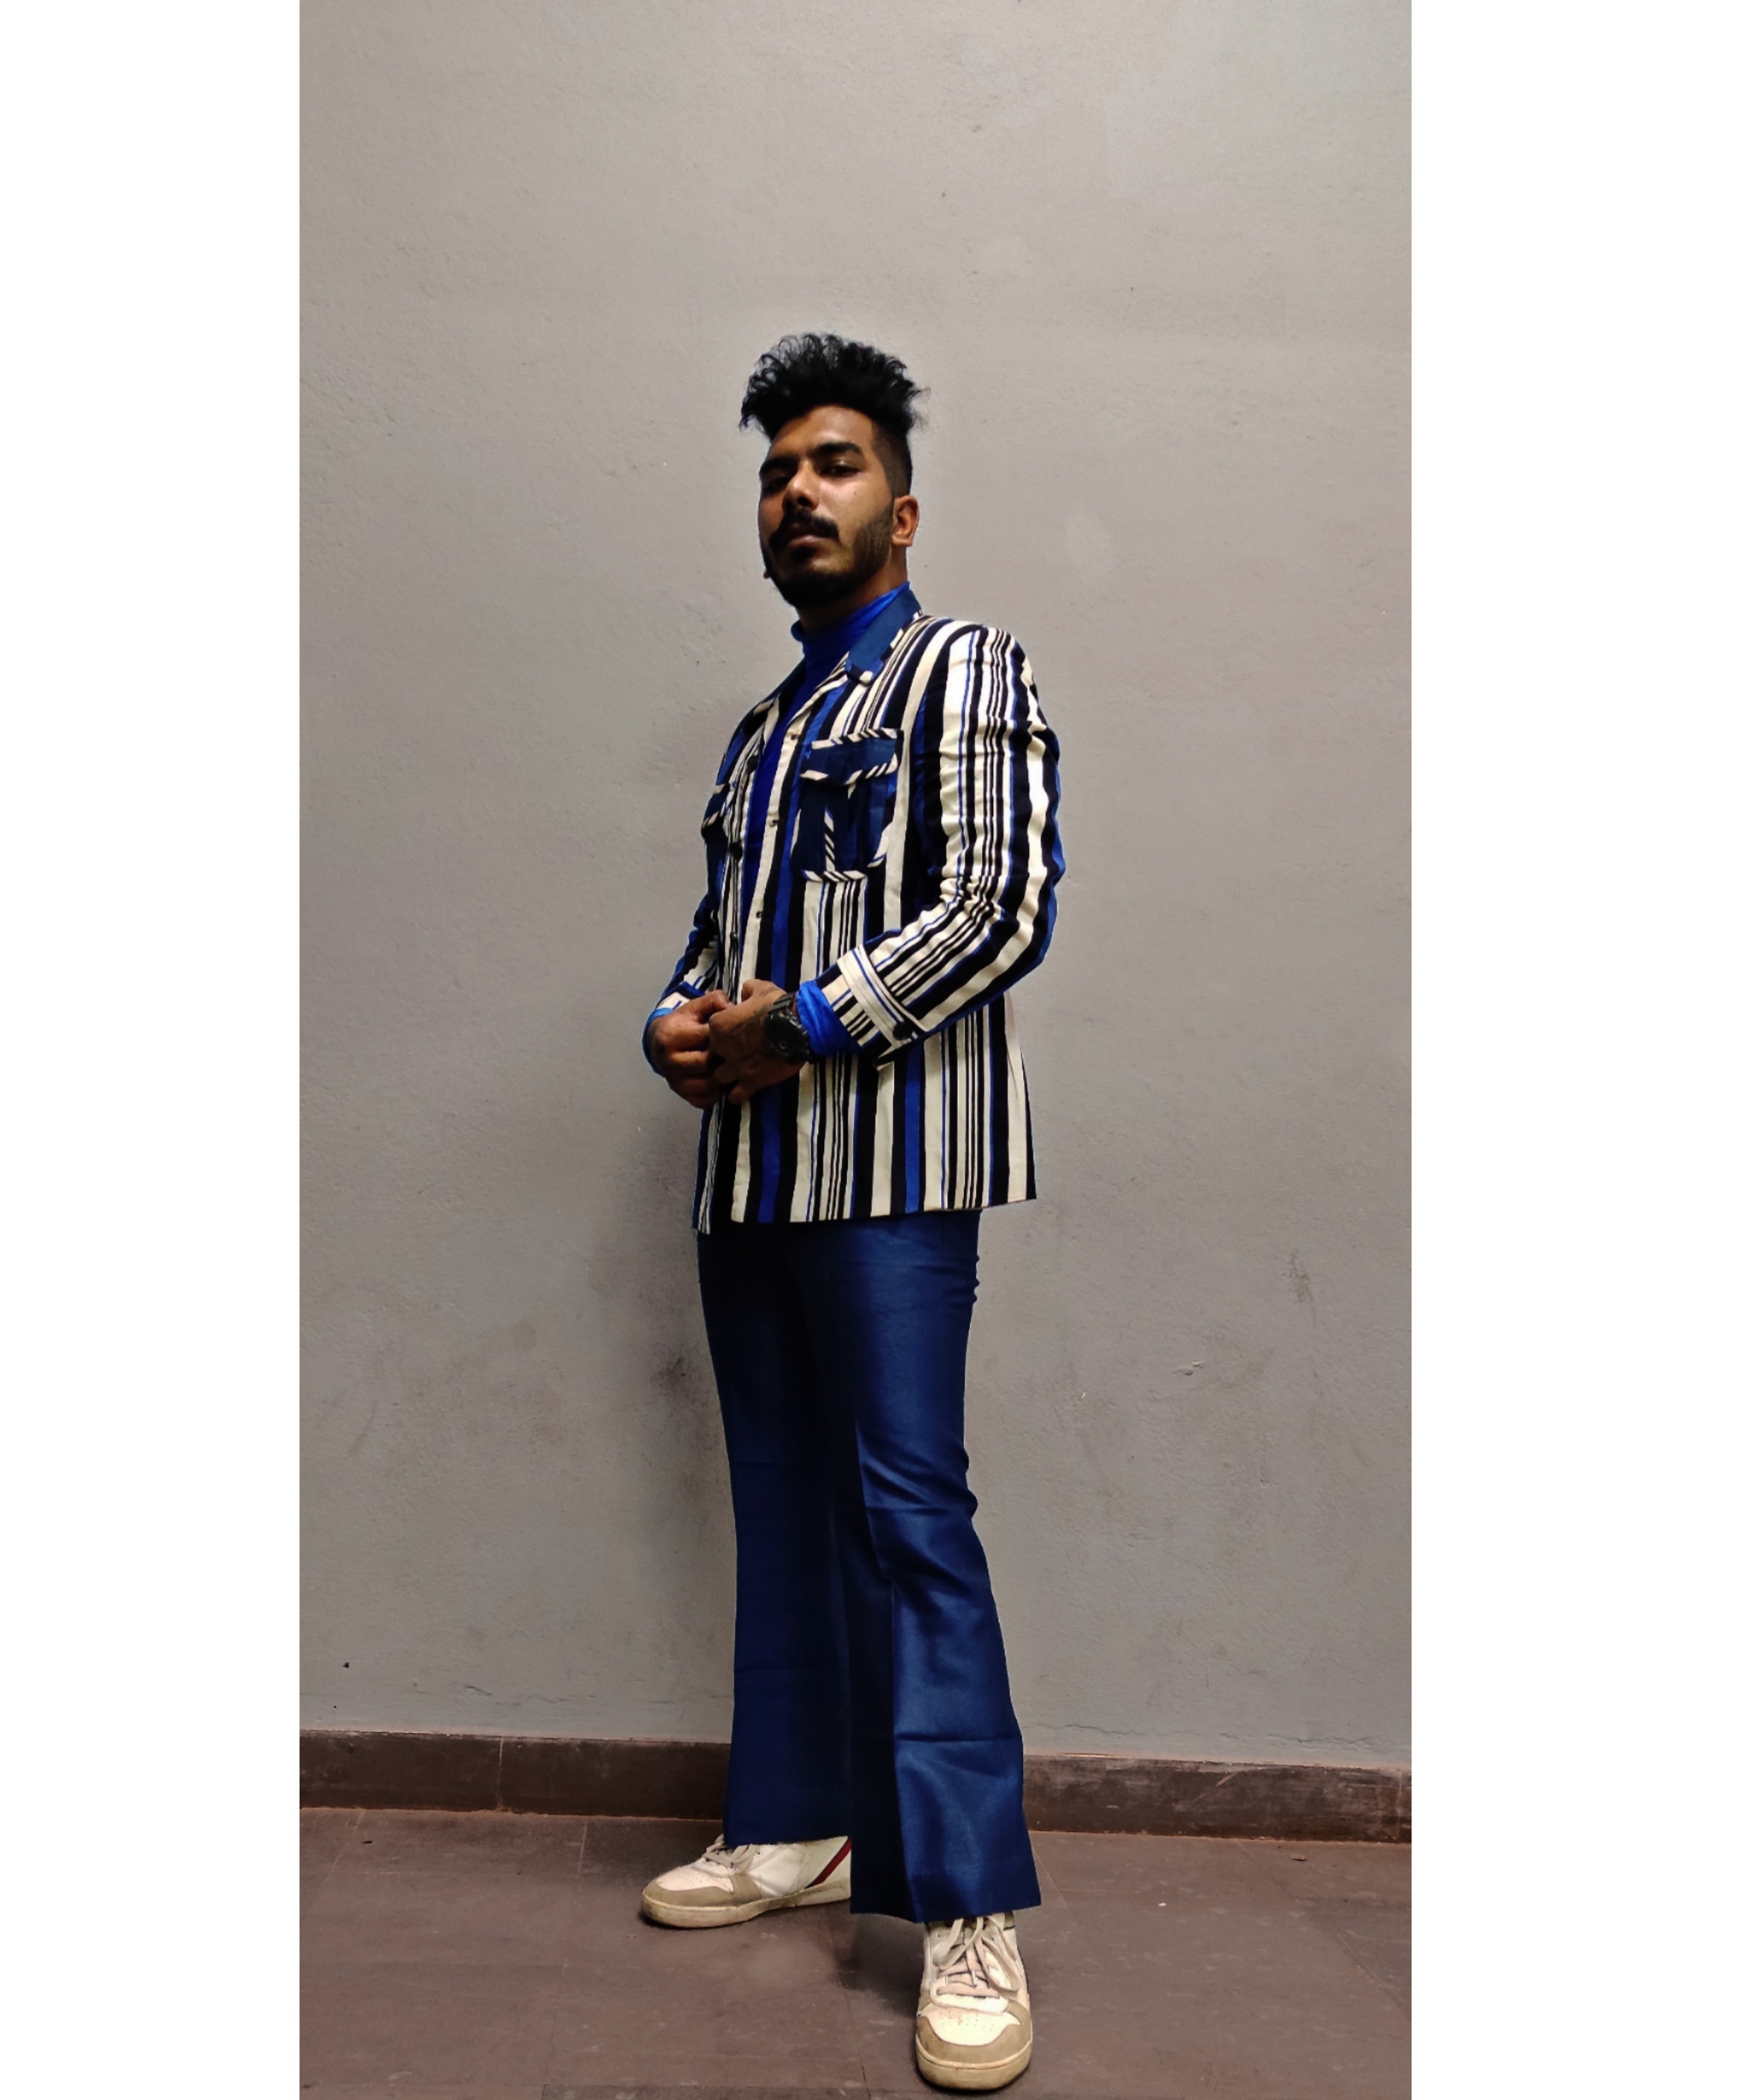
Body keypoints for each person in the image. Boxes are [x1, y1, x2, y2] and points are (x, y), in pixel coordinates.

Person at [640, 333, 1064, 2093]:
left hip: (891, 1172)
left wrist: (802, 1024)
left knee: (907, 1513)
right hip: (751, 1181)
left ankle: (966, 1907)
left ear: (903, 506)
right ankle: (796, 1823)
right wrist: (676, 1026)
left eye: (833, 464)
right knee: (782, 1499)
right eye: (775, 474)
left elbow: (1001, 903)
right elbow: (716, 941)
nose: (797, 494)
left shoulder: (966, 671)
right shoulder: (763, 734)